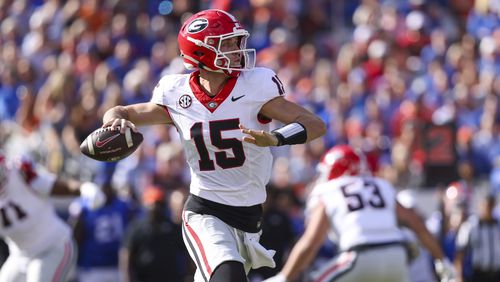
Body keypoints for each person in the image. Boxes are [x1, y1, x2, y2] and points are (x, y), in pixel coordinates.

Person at [101, 9, 326, 282]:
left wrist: (276, 138)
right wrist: (113, 121)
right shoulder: (176, 94)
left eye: (235, 41)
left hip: (250, 217)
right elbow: (122, 111)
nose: (237, 49)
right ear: (200, 53)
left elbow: (314, 124)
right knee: (228, 276)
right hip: (205, 211)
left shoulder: (255, 85)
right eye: (227, 43)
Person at [265, 145, 455, 282]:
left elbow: (310, 242)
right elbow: (418, 225)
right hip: (397, 257)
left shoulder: (331, 191)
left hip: (359, 256)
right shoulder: (381, 185)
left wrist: (284, 276)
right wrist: (441, 259)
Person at [0, 151, 104, 282]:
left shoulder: (20, 173)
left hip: (52, 246)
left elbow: (53, 186)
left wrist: (83, 188)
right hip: (20, 256)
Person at [68, 182, 135, 282]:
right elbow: (74, 236)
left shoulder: (124, 206)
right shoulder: (84, 206)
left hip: (116, 266)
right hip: (91, 267)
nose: (105, 190)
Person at [119, 185, 188, 282]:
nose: (155, 208)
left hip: (170, 277)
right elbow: (126, 253)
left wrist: (187, 275)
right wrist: (127, 278)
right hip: (143, 277)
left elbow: (185, 253)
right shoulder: (136, 227)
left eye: (158, 204)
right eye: (152, 204)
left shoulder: (172, 227)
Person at [454, 194, 500, 282]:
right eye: (486, 206)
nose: (488, 209)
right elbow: (460, 253)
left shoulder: (498, 226)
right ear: (481, 206)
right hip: (479, 274)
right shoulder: (471, 226)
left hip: (497, 274)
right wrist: (458, 276)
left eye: (491, 206)